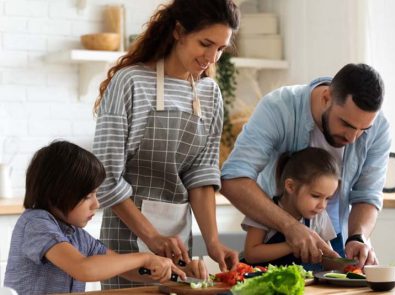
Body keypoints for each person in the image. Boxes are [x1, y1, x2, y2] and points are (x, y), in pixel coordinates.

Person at [92, 0, 240, 289]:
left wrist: (212, 242)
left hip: (178, 243)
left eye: (220, 49)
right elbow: (106, 176)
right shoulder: (130, 82)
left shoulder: (210, 94)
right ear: (179, 32)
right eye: (205, 44)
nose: (211, 57)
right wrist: (152, 237)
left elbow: (201, 173)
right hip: (126, 240)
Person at [221, 63, 391, 268]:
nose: (353, 137)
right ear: (326, 97)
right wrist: (291, 227)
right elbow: (233, 179)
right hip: (276, 228)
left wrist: (358, 237)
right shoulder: (279, 107)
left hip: (336, 239)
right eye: (346, 124)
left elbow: (367, 195)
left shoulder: (379, 128)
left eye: (363, 129)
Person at [3, 141, 196, 295]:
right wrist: (144, 257)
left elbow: (124, 268)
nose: (96, 204)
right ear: (58, 193)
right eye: (88, 196)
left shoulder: (77, 236)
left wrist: (178, 271)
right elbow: (84, 269)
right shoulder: (36, 223)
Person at [242, 147, 340, 268]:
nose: (322, 205)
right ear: (291, 186)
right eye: (316, 196)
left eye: (328, 198)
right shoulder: (263, 211)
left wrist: (341, 263)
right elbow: (251, 254)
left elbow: (327, 255)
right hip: (256, 280)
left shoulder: (319, 216)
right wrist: (293, 244)